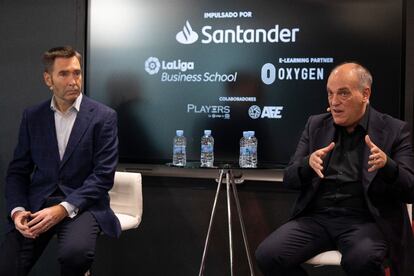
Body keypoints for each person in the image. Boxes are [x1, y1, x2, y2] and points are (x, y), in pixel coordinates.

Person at [255, 62, 414, 276]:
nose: (334, 102)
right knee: (268, 255)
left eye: (343, 94)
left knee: (362, 259)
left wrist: (388, 166)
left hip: (366, 221)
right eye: (330, 93)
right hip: (317, 219)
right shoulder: (316, 125)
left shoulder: (395, 130)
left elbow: (410, 188)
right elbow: (289, 179)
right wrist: (306, 164)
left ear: (365, 94)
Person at [0, 46, 121, 275]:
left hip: (82, 205)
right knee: (7, 265)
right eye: (64, 74)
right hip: (38, 204)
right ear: (48, 79)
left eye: (77, 73)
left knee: (75, 255)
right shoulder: (33, 117)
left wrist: (62, 209)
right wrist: (17, 210)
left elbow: (103, 176)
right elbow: (18, 171)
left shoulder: (104, 117)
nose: (73, 80)